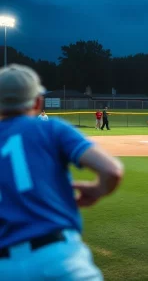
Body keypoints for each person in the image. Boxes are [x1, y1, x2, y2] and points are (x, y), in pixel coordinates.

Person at [0, 64, 124, 280]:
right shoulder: (51, 128)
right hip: (59, 259)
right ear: (38, 102)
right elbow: (112, 171)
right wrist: (97, 189)